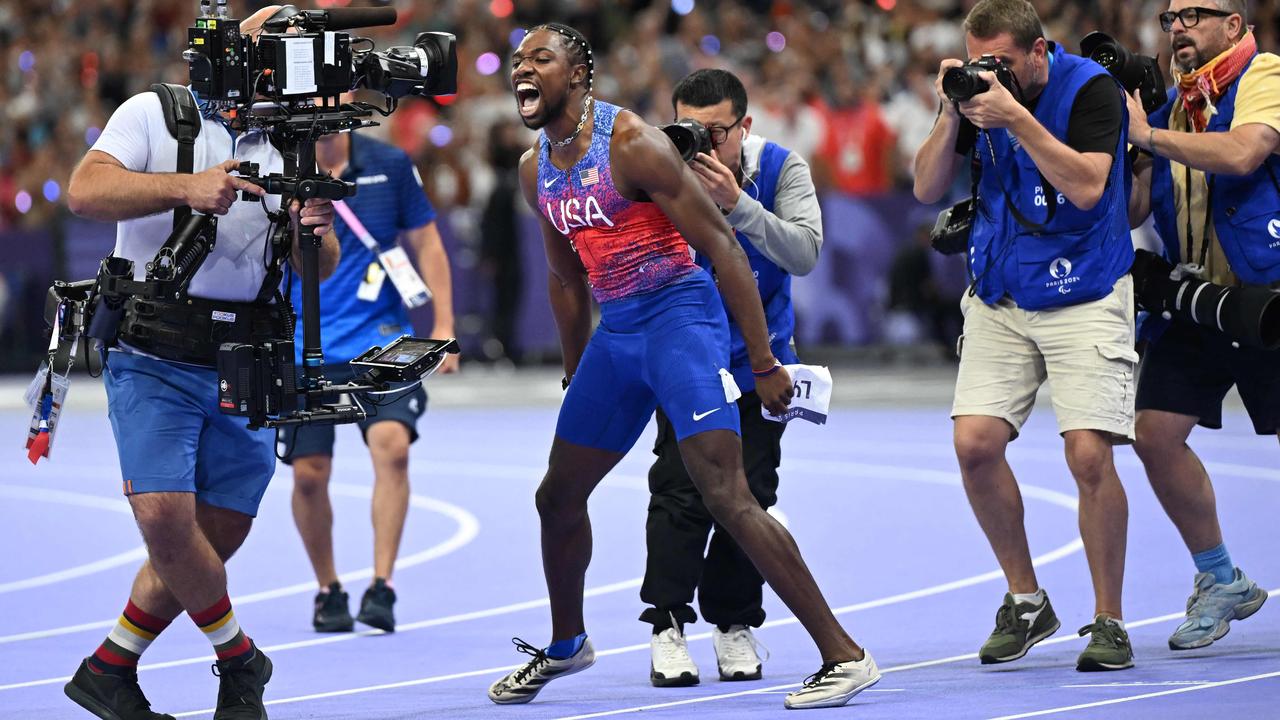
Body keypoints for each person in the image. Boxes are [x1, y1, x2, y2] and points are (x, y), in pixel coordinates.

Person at [486, 24, 877, 710]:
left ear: (578, 75)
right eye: (518, 61)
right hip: (619, 331)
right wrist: (578, 371)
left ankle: (845, 656)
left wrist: (763, 364)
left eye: (540, 58)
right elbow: (565, 280)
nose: (523, 69)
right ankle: (568, 643)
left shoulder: (633, 144)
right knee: (556, 497)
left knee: (727, 494)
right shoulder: (533, 169)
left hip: (681, 319)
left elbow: (725, 249)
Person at [60, 6, 339, 719]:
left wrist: (316, 229)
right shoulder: (156, 112)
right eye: (271, 52)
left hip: (246, 358)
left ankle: (109, 666)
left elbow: (323, 267)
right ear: (234, 54)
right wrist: (187, 186)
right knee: (162, 516)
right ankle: (240, 660)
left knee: (219, 532)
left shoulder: (293, 144)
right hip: (152, 350)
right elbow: (84, 190)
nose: (283, 71)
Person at [913, 0, 1138, 672]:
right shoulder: (979, 99)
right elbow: (926, 187)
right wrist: (952, 108)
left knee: (1089, 456)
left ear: (1039, 53)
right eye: (984, 63)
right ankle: (1026, 600)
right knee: (974, 445)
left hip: (1087, 290)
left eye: (1005, 64)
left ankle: (1110, 621)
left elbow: (1092, 187)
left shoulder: (1092, 91)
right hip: (1001, 288)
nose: (995, 76)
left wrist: (1017, 119)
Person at [638, 68, 823, 687]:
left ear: (744, 126)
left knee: (754, 494)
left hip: (760, 363)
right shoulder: (657, 172)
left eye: (715, 132)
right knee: (679, 489)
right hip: (685, 355)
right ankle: (666, 625)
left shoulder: (782, 169)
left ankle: (734, 623)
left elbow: (803, 252)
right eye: (687, 128)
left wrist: (738, 206)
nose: (701, 143)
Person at [1125, 0, 1277, 651]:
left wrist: (1151, 138)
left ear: (1234, 25)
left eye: (1191, 13)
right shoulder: (1172, 108)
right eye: (1169, 18)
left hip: (1266, 300)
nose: (1177, 27)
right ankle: (1221, 581)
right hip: (1196, 300)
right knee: (1155, 436)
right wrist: (1126, 144)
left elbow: (1245, 154)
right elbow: (1135, 207)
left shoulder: (1265, 73)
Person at [278, 123, 458, 634]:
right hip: (303, 344)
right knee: (309, 475)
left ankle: (383, 585)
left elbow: (427, 243)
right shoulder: (277, 162)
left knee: (393, 448)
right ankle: (328, 588)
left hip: (381, 342)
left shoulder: (391, 163)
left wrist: (443, 324)